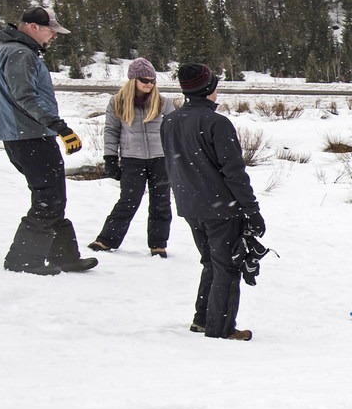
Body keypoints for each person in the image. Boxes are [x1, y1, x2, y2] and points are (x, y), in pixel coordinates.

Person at [0, 6, 97, 275]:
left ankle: (65, 257)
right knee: (48, 198)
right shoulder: (19, 53)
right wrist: (61, 127)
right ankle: (23, 260)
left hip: (25, 136)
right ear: (33, 27)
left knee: (53, 196)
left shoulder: (13, 50)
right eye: (51, 30)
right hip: (30, 137)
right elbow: (25, 97)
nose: (55, 36)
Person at [163, 63, 264, 340]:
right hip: (219, 207)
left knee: (211, 262)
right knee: (226, 267)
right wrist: (252, 210)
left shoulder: (171, 121)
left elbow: (173, 165)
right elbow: (233, 172)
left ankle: (203, 318)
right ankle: (220, 328)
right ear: (208, 89)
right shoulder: (216, 123)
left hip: (190, 205)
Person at [89, 59, 171, 257]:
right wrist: (110, 158)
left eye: (152, 80)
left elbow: (173, 132)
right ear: (133, 79)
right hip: (132, 159)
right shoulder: (117, 101)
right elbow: (111, 131)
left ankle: (158, 244)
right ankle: (106, 240)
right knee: (128, 200)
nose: (149, 84)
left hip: (160, 159)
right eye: (144, 80)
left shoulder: (163, 102)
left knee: (161, 202)